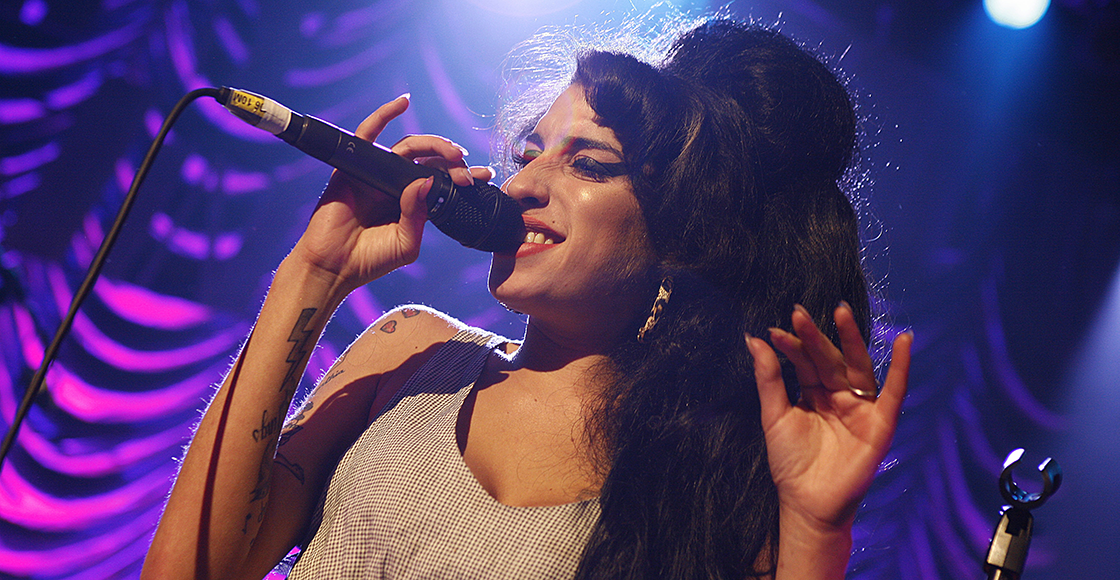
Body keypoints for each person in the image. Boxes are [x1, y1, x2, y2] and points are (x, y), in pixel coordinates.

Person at [142, 16, 911, 580]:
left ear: (679, 234)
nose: (523, 186)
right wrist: (314, 272)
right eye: (528, 153)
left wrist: (816, 535)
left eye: (589, 165)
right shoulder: (411, 353)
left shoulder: (702, 479)